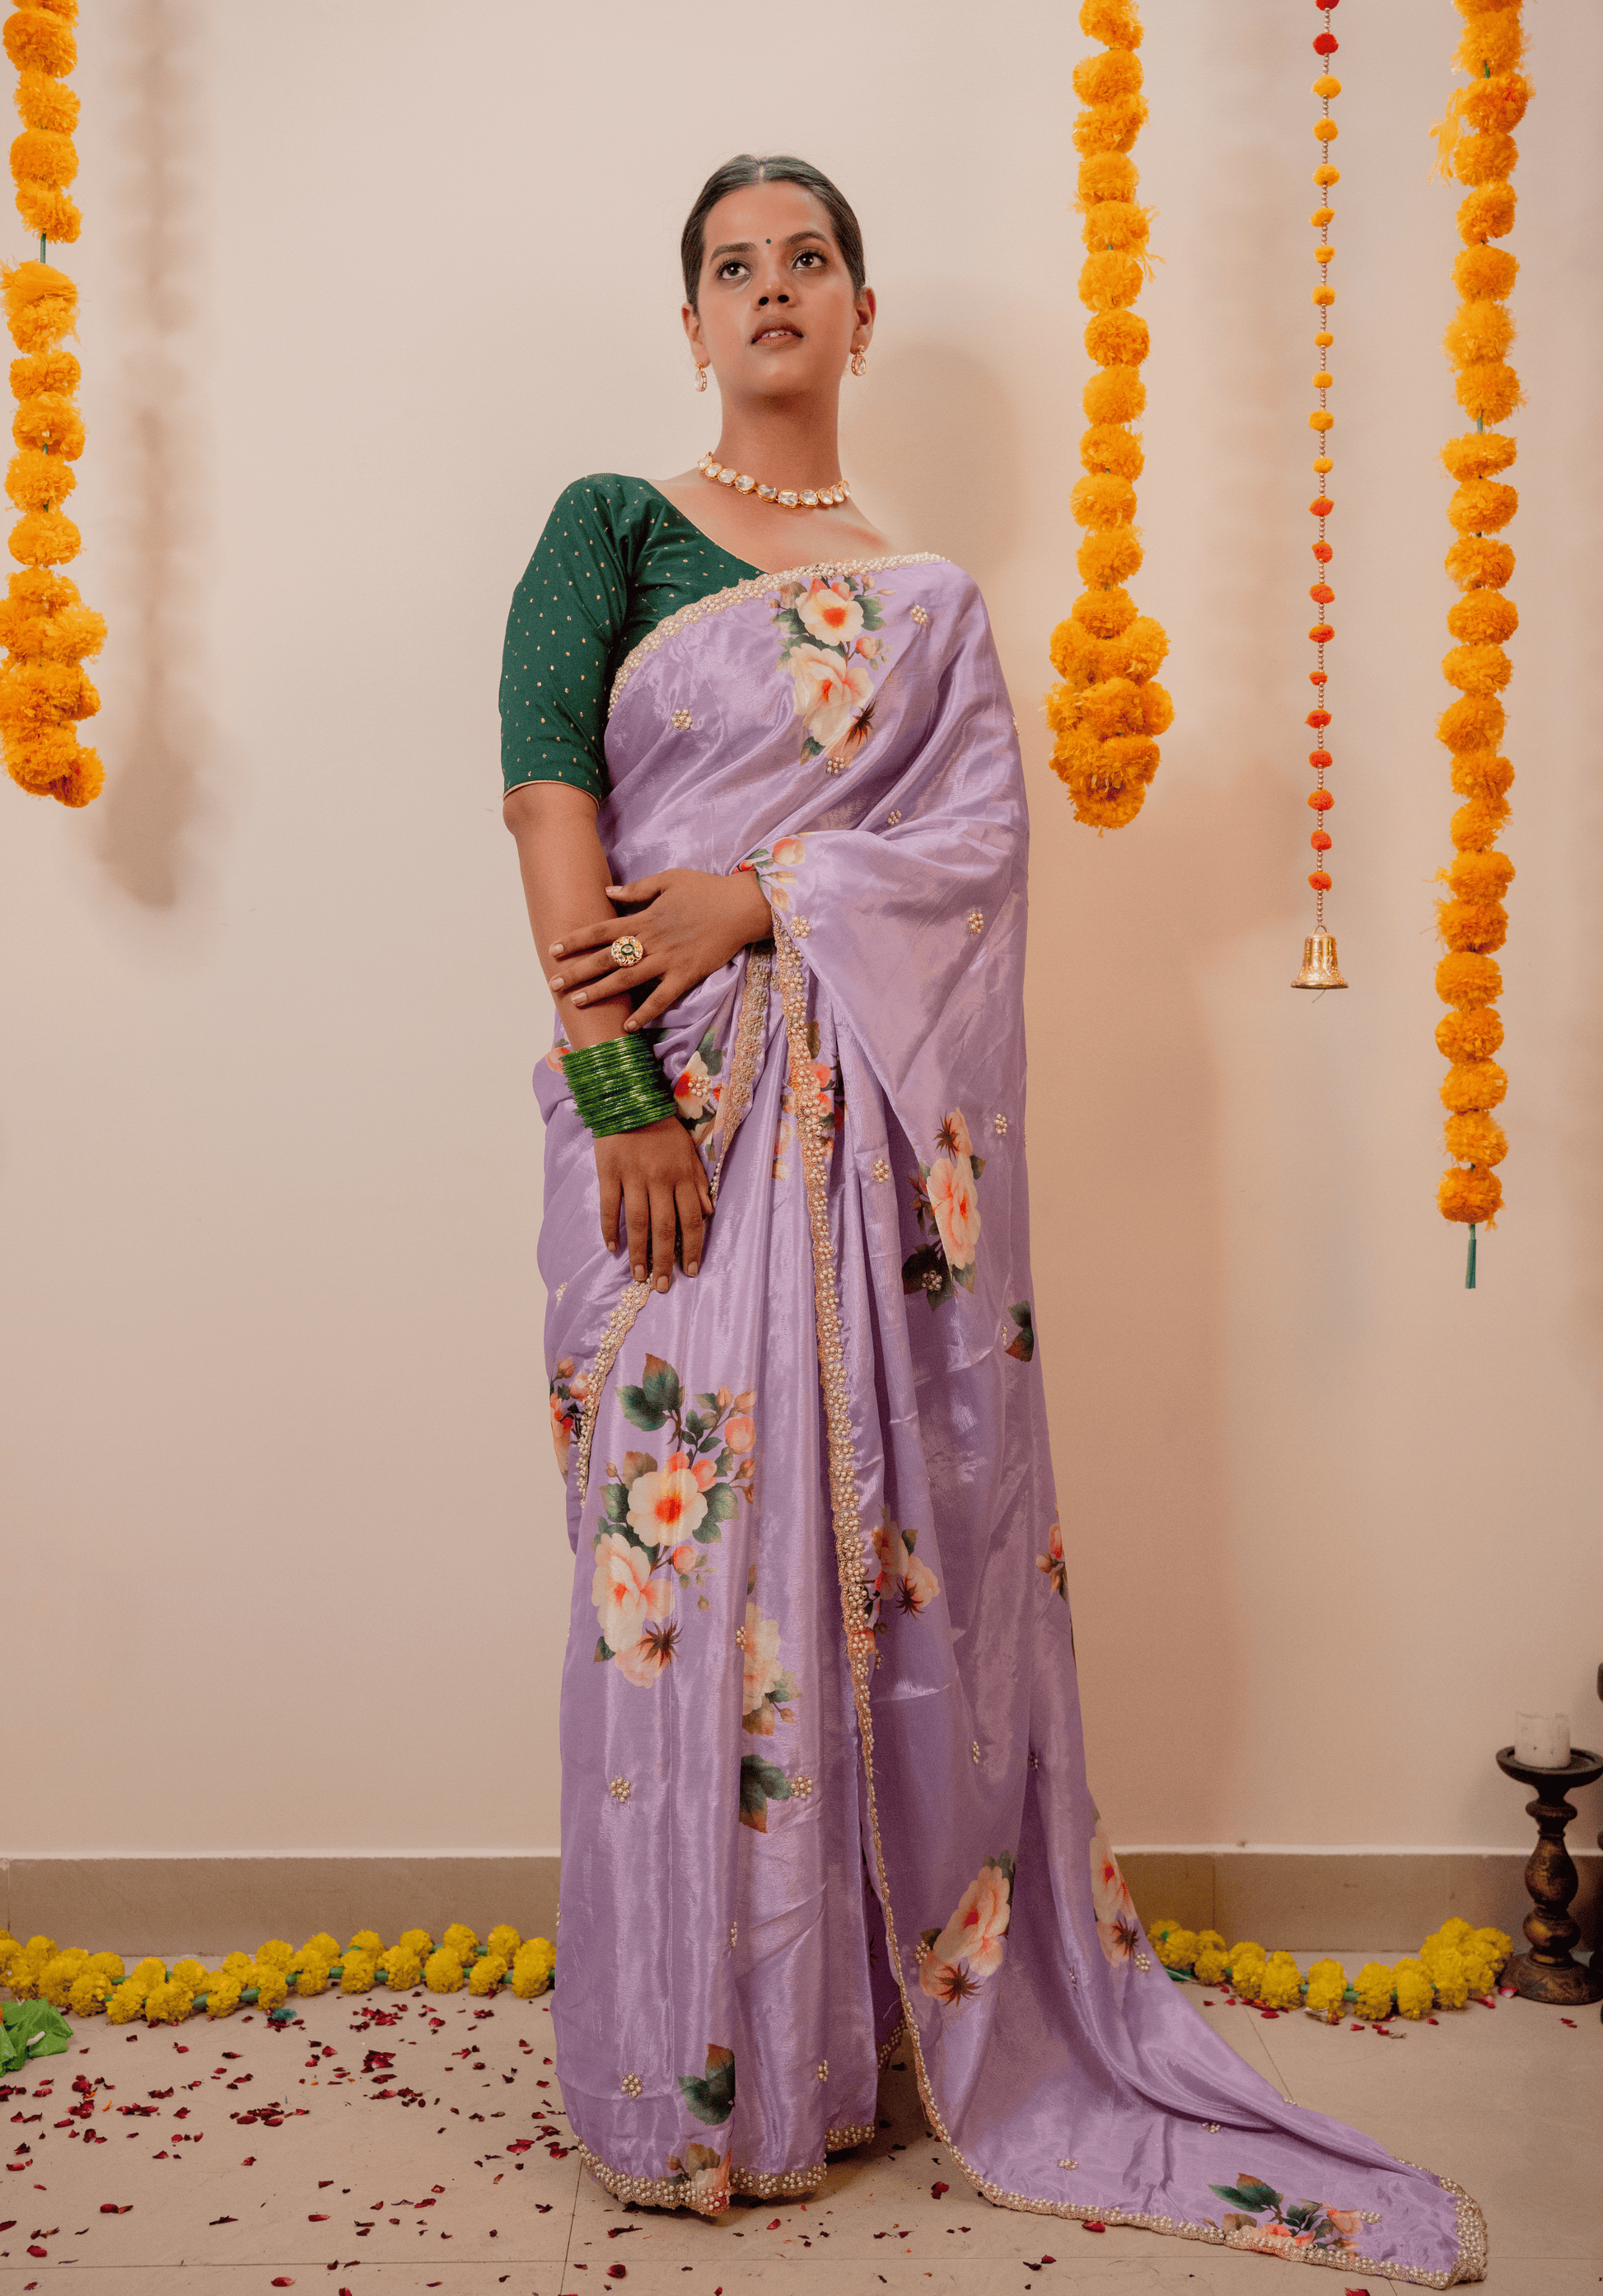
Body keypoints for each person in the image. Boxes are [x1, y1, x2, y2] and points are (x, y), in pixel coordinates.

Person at [498, 153, 1484, 2280]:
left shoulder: (929, 605)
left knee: (848, 1571)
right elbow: (550, 795)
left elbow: (967, 870)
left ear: (862, 309)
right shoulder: (608, 526)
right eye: (734, 267)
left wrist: (765, 894)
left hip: (867, 1180)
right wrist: (615, 1101)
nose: (774, 291)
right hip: (674, 1131)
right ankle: (687, 2056)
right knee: (673, 1574)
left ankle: (835, 2056)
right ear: (693, 325)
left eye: (811, 259)